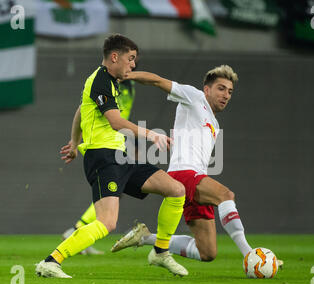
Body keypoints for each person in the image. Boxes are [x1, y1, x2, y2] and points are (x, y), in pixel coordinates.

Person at [35, 34, 188, 278]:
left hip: (121, 155)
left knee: (176, 190)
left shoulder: (109, 82)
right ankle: (51, 261)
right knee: (107, 223)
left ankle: (160, 252)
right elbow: (116, 122)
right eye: (131, 58)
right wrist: (151, 135)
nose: (133, 65)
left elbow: (81, 109)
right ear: (114, 57)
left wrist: (74, 142)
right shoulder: (101, 80)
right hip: (103, 157)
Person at [110, 65, 283, 268]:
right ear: (207, 89)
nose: (226, 95)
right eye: (221, 88)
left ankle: (145, 238)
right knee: (226, 195)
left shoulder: (214, 124)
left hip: (196, 177)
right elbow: (157, 81)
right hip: (183, 174)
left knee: (207, 252)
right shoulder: (194, 97)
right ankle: (251, 256)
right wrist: (127, 75)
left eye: (230, 91)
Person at [61, 80, 136, 255]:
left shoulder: (126, 82)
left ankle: (79, 231)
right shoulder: (110, 80)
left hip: (118, 141)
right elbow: (84, 108)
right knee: (111, 194)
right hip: (105, 145)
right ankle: (77, 230)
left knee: (114, 191)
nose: (132, 64)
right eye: (130, 58)